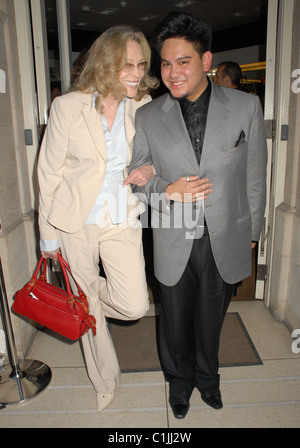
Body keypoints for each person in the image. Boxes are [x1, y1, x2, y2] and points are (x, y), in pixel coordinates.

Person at [126, 12, 267, 419]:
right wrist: (165, 189)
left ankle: (208, 379)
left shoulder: (246, 107)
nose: (172, 73)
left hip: (226, 234)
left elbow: (255, 176)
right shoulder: (149, 116)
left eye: (182, 61)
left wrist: (254, 231)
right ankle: (179, 382)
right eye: (165, 63)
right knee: (173, 321)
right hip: (171, 231)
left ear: (206, 61)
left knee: (211, 319)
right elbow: (137, 180)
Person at [37, 25, 158, 412]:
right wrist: (48, 235)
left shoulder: (144, 105)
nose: (137, 73)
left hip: (121, 217)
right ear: (106, 63)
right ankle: (104, 379)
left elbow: (161, 153)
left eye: (141, 64)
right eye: (128, 65)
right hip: (76, 222)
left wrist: (152, 168)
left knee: (134, 304)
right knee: (86, 303)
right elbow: (48, 173)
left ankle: (88, 301)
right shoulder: (68, 107)